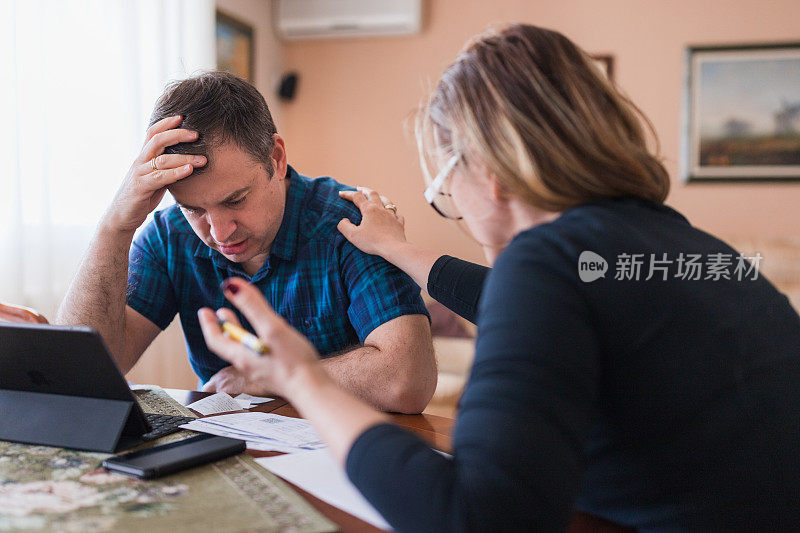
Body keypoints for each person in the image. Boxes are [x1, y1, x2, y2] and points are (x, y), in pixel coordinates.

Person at [196, 24, 800, 531]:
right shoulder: (670, 241)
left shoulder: (546, 262)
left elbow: (473, 517)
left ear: (485, 170)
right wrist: (401, 251)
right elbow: (531, 306)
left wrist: (303, 378)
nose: (449, 201)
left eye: (445, 186)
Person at [56, 72, 436, 414]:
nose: (220, 233)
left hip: (356, 456)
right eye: (194, 210)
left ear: (277, 157)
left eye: (235, 200)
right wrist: (115, 228)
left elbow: (406, 381)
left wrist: (264, 376)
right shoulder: (170, 235)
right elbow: (81, 373)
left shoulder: (352, 222)